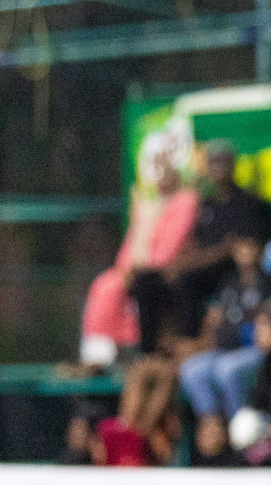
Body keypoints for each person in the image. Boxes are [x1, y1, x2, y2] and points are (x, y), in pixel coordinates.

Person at [128, 142, 271, 350]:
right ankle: (149, 349)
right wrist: (178, 264)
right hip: (197, 265)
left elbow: (234, 248)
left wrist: (189, 265)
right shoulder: (206, 204)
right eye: (212, 162)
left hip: (227, 271)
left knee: (186, 279)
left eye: (222, 161)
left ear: (233, 164)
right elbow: (194, 243)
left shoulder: (247, 203)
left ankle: (189, 341)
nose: (217, 167)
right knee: (146, 280)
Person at [78, 155, 199, 367]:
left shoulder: (185, 201)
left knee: (142, 282)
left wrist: (146, 224)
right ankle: (98, 357)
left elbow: (165, 254)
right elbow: (127, 255)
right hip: (137, 271)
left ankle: (142, 350)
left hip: (165, 276)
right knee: (106, 285)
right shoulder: (149, 204)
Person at [178, 235, 271, 461]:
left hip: (254, 352)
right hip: (224, 350)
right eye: (241, 246)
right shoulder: (229, 283)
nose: (245, 252)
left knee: (226, 369)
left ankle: (237, 430)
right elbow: (215, 320)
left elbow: (268, 328)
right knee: (191, 369)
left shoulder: (269, 282)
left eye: (250, 245)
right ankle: (212, 429)